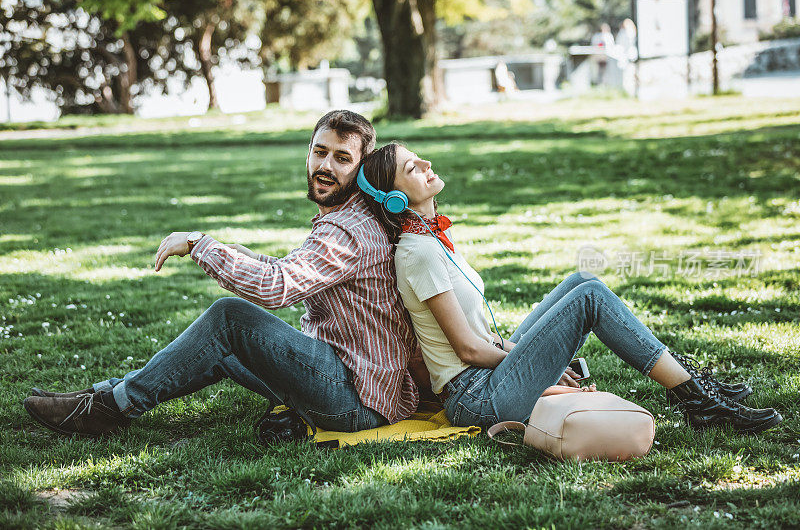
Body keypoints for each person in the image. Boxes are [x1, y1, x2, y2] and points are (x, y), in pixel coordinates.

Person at [23, 110, 426, 438]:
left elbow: (277, 288)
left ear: (362, 168)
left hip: (356, 399)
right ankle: (107, 396)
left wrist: (201, 244)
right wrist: (249, 256)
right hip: (341, 378)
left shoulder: (347, 230)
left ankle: (111, 407)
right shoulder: (346, 219)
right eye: (319, 151)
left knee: (229, 318)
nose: (325, 166)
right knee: (220, 345)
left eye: (342, 158)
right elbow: (296, 271)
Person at [357, 143, 783, 434]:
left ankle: (694, 385)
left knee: (583, 281)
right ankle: (697, 400)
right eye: (413, 168)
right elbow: (467, 351)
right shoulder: (418, 253)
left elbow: (478, 339)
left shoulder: (431, 238)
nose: (427, 165)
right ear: (393, 198)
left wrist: (527, 356)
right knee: (589, 299)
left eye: (420, 159)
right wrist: (528, 359)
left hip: (490, 373)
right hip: (478, 396)